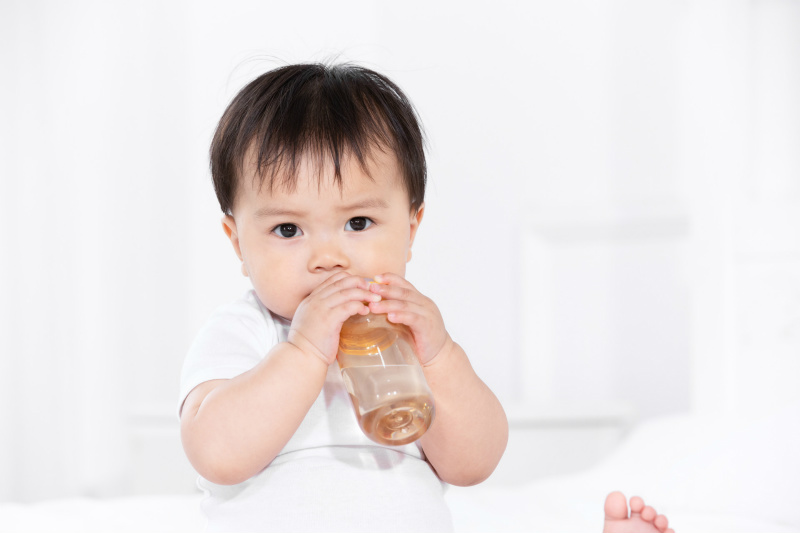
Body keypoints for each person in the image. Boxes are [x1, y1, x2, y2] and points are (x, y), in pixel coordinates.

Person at [178, 62, 674, 533]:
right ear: (238, 242)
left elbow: (474, 463)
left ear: (411, 229)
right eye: (288, 229)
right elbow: (217, 454)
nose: (328, 258)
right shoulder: (244, 333)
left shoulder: (408, 337)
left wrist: (439, 355)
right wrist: (304, 350)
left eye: (358, 223)